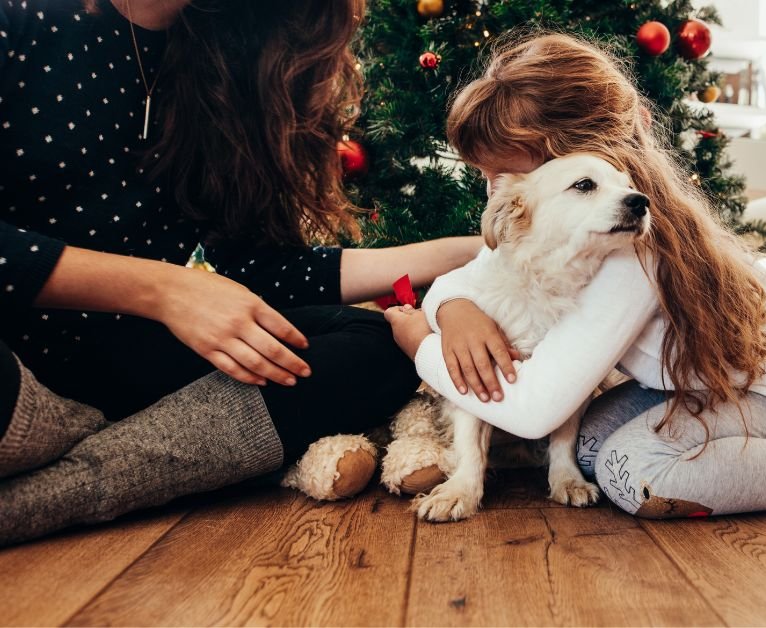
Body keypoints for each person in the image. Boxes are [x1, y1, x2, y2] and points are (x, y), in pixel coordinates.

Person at [385, 33, 766, 518]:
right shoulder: (564, 224)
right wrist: (450, 310)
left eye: (506, 174)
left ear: (573, 158)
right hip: (696, 383)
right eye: (492, 180)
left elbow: (536, 411)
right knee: (586, 451)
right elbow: (474, 274)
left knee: (632, 471)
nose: (500, 193)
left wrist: (421, 346)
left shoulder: (629, 250)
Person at [0, 0, 481, 545]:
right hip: (14, 361)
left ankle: (45, 497)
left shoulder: (229, 51)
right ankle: (96, 447)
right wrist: (164, 290)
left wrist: (461, 253)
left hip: (111, 364)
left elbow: (260, 268)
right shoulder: (23, 17)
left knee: (373, 343)